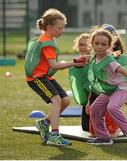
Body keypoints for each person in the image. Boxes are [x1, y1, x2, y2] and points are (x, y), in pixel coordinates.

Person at [24, 8, 87, 146]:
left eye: (63, 27)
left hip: (45, 77)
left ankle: (44, 123)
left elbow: (51, 64)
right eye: (60, 27)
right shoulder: (47, 43)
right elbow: (55, 65)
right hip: (37, 79)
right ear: (49, 27)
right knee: (57, 101)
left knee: (65, 100)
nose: (62, 30)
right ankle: (54, 135)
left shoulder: (48, 39)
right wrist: (74, 63)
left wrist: (74, 61)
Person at [87, 29, 127, 146]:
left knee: (112, 107)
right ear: (91, 44)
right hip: (109, 90)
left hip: (121, 89)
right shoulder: (93, 58)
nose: (99, 46)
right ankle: (104, 137)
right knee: (94, 109)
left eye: (103, 44)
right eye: (96, 43)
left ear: (109, 46)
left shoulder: (110, 61)